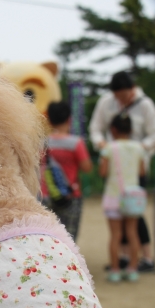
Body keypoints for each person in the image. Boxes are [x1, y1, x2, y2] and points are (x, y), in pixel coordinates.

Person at [89, 71, 155, 271]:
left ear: (132, 89)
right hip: (115, 171)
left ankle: (145, 257)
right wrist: (102, 144)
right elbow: (95, 128)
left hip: (136, 169)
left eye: (123, 95)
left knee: (135, 213)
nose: (120, 99)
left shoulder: (145, 104)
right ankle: (123, 258)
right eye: (117, 96)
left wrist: (137, 150)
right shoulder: (106, 102)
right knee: (120, 216)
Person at [99, 114, 146, 282]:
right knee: (133, 234)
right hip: (132, 197)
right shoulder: (138, 148)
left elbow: (103, 172)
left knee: (116, 235)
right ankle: (133, 269)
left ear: (113, 130)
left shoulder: (109, 148)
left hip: (113, 196)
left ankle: (115, 270)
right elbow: (142, 172)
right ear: (131, 129)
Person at [41, 101, 92, 240]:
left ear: (49, 120)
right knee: (68, 238)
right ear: (69, 119)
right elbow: (87, 168)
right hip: (70, 195)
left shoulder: (41, 142)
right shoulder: (76, 143)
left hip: (45, 195)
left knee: (45, 237)